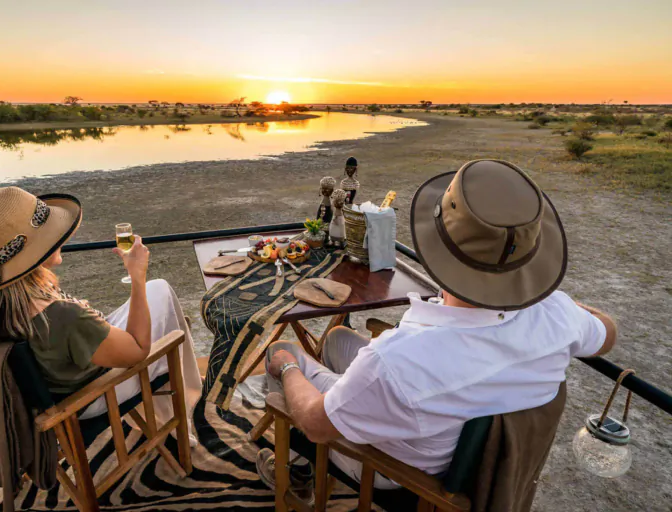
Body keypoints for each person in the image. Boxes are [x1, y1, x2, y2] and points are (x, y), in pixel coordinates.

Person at [256, 159, 618, 494]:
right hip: (457, 447)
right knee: (335, 339)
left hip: (393, 469)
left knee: (279, 352)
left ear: (438, 247)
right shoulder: (558, 314)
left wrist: (288, 364)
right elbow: (607, 331)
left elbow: (317, 425)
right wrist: (554, 299)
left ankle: (299, 472)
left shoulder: (398, 359)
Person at [0, 186, 202, 428]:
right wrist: (137, 275)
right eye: (50, 235)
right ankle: (189, 400)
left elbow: (64, 336)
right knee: (161, 297)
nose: (59, 238)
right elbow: (137, 351)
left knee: (157, 291)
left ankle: (183, 398)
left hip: (52, 389)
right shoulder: (59, 316)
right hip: (89, 397)